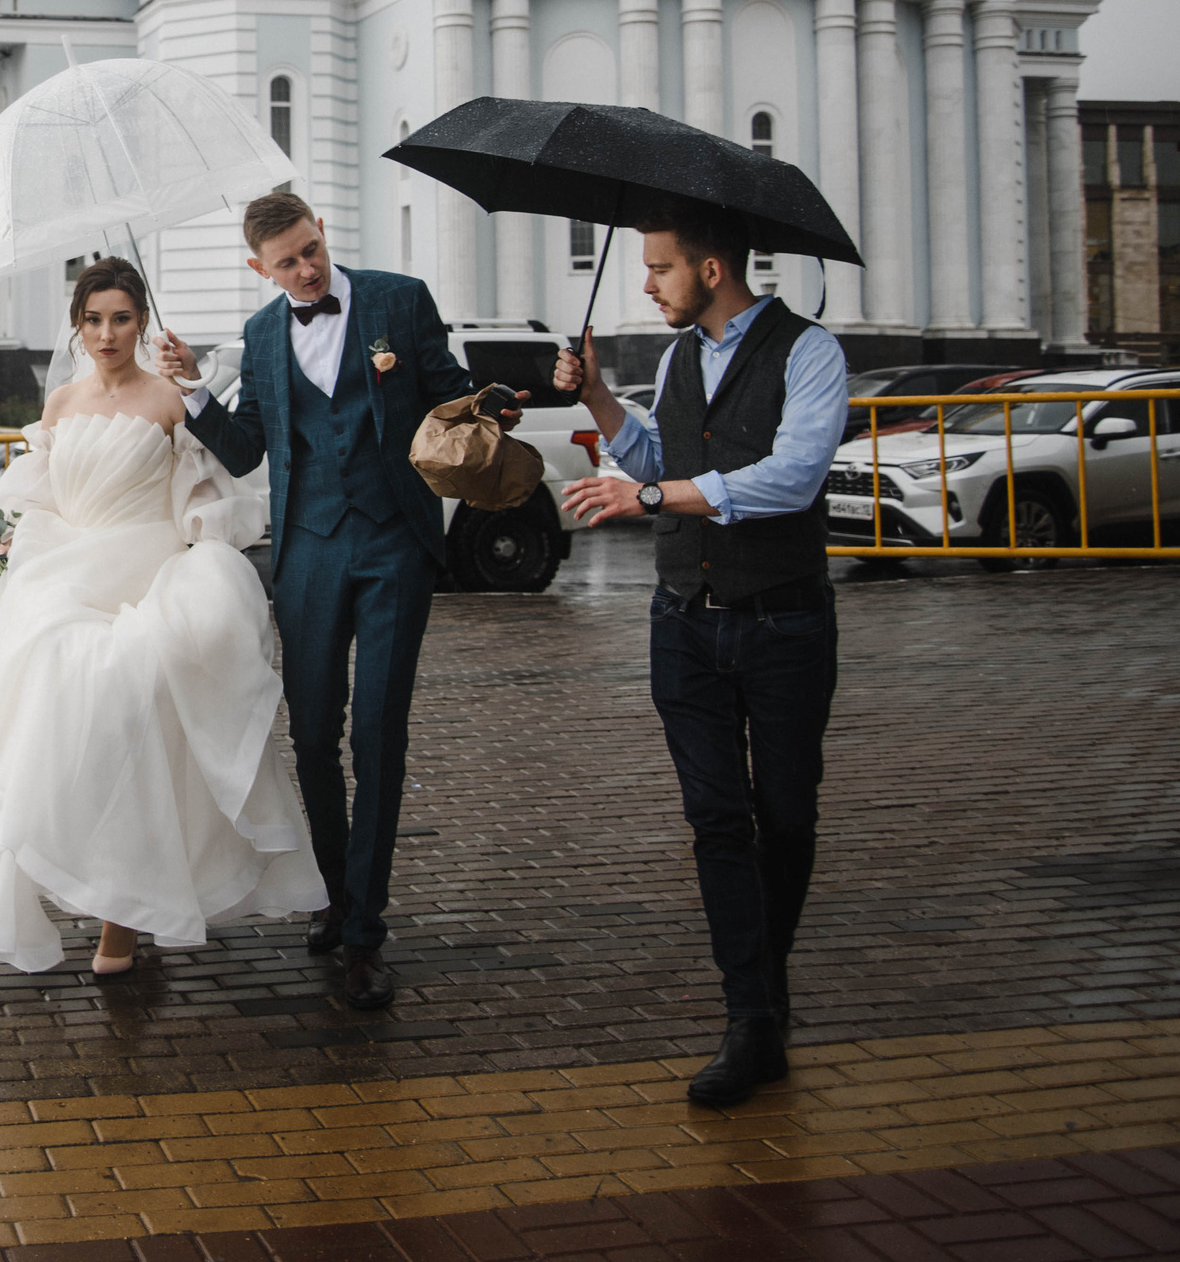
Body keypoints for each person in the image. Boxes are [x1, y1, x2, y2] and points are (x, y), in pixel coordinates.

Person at [0, 257, 326, 978]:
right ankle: (44, 868)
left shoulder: (169, 401)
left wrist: (197, 391)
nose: (107, 332)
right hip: (64, 573)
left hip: (147, 575)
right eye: (93, 319)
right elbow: (34, 497)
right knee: (40, 717)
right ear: (76, 326)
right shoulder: (60, 405)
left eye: (121, 318)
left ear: (141, 323)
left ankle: (123, 917)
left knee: (129, 710)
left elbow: (217, 488)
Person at [155, 192, 510, 1009]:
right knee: (314, 734)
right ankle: (333, 892)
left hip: (394, 546)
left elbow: (453, 391)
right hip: (309, 552)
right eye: (288, 262)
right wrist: (195, 393)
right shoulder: (259, 337)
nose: (307, 269)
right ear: (260, 269)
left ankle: (365, 929)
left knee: (379, 731)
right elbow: (248, 451)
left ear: (322, 230)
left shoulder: (398, 299)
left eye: (312, 249)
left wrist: (497, 407)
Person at [553, 200, 847, 1109]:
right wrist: (599, 397)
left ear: (712, 271)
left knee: (786, 817)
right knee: (719, 820)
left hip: (784, 622)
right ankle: (750, 1017)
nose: (646, 283)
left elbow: (793, 476)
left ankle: (765, 982)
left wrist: (655, 496)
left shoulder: (810, 352)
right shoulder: (680, 357)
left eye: (662, 269)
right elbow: (651, 447)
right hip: (683, 618)